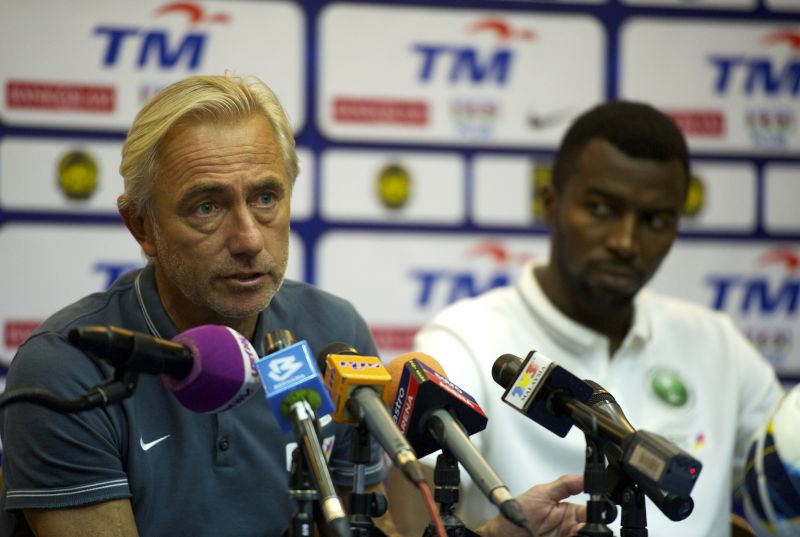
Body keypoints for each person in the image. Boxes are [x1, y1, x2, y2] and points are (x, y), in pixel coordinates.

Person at [0, 74, 585, 537]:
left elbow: (368, 527)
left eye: (265, 197)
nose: (249, 238)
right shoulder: (68, 369)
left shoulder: (333, 331)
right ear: (142, 227)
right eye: (207, 206)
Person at [413, 101, 783, 537]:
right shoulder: (465, 341)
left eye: (655, 219)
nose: (625, 241)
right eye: (602, 210)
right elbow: (417, 520)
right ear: (551, 204)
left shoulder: (718, 345)